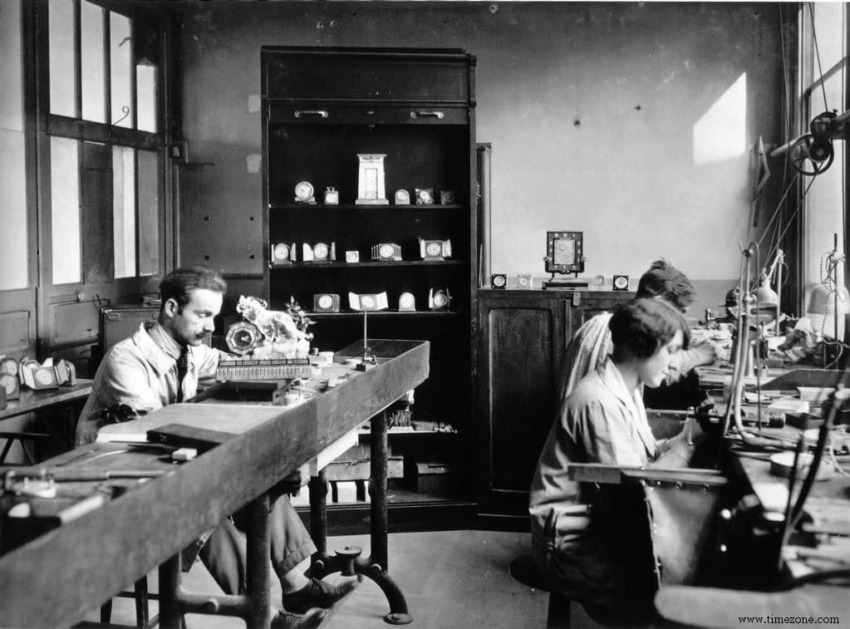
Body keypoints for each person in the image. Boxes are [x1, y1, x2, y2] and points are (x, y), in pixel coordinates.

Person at [76, 266, 358, 629]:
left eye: (214, 315)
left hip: (168, 467)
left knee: (262, 480)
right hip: (117, 484)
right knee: (204, 509)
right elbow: (158, 429)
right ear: (173, 308)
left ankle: (296, 586)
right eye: (203, 315)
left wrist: (284, 344)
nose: (211, 326)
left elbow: (240, 366)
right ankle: (266, 616)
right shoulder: (126, 360)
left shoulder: (189, 351)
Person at [530, 298, 701, 626]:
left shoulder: (626, 387)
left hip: (595, 523)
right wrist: (686, 448)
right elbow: (637, 490)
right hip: (571, 542)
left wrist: (683, 436)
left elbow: (643, 453)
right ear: (643, 347)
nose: (676, 363)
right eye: (672, 350)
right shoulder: (599, 402)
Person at [556, 259, 718, 407]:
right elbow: (659, 366)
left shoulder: (616, 324)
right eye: (679, 312)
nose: (679, 319)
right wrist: (698, 355)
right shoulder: (608, 330)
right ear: (658, 302)